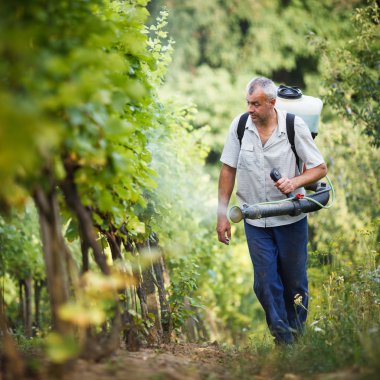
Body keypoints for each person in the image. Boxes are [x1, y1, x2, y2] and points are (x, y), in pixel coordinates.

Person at [216, 77, 327, 344]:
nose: (251, 109)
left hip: (291, 219)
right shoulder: (241, 126)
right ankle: (283, 341)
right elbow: (227, 169)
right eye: (248, 103)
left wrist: (295, 182)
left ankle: (297, 339)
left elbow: (319, 168)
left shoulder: (293, 126)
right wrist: (222, 215)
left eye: (256, 104)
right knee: (265, 284)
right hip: (256, 222)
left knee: (295, 284)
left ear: (272, 103)